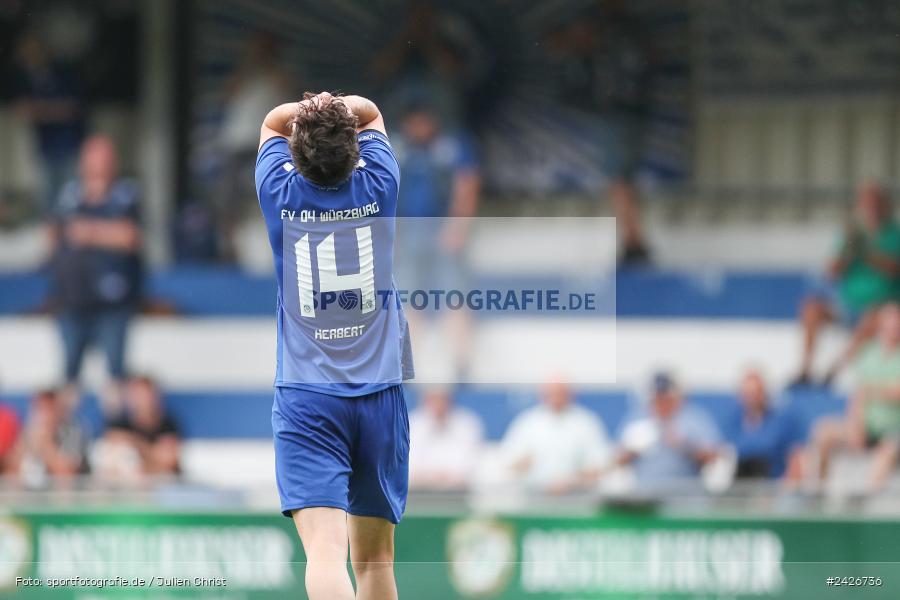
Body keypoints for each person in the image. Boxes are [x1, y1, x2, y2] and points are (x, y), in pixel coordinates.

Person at [256, 91, 413, 600]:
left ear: (297, 153)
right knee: (375, 561)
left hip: (308, 398)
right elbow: (372, 111)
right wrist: (333, 104)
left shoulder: (279, 193)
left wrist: (308, 111)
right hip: (380, 394)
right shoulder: (380, 185)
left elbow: (271, 122)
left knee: (326, 555)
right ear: (354, 147)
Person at [50, 135, 142, 414]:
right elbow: (55, 233)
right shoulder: (69, 194)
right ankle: (67, 431)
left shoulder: (125, 195)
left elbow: (130, 236)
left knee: (115, 376)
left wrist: (88, 232)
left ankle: (115, 428)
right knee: (69, 377)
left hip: (113, 302)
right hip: (73, 300)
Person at [392, 99, 480, 379]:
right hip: (408, 233)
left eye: (424, 119)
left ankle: (462, 365)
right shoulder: (396, 147)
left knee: (455, 298)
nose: (420, 126)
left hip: (444, 230)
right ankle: (404, 366)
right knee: (406, 299)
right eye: (414, 120)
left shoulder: (452, 145)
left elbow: (467, 183)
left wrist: (457, 227)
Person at [794, 183, 900, 386]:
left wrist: (866, 252)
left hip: (879, 309)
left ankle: (834, 371)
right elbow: (831, 272)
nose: (870, 209)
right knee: (811, 308)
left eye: (874, 203)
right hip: (847, 305)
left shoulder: (895, 233)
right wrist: (845, 253)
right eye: (866, 204)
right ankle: (805, 371)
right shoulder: (852, 234)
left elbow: (894, 268)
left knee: (874, 317)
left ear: (884, 205)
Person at [807, 303, 900, 493]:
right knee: (823, 431)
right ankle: (817, 493)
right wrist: (855, 424)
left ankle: (869, 498)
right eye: (890, 322)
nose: (894, 327)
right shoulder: (868, 353)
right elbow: (858, 394)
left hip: (893, 430)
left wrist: (871, 390)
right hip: (868, 427)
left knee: (888, 450)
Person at [13, 32, 86, 212]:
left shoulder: (64, 73)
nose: (28, 58)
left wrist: (41, 110)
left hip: (69, 145)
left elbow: (72, 108)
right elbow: (23, 109)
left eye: (32, 52)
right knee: (47, 201)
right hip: (45, 148)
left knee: (71, 199)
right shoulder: (28, 79)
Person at [500, 380, 611, 495]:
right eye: (551, 393)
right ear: (542, 395)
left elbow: (601, 462)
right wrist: (520, 464)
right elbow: (507, 459)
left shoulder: (586, 422)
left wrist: (573, 480)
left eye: (561, 393)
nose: (556, 398)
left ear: (571, 394)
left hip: (578, 496)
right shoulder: (527, 422)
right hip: (534, 496)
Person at [617, 373, 721, 490]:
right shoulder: (637, 418)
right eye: (658, 397)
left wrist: (685, 445)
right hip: (645, 493)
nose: (662, 402)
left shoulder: (694, 418)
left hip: (685, 493)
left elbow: (713, 458)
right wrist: (632, 450)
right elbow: (618, 460)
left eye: (666, 397)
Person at [101, 376, 181, 480]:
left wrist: (134, 443)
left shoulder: (168, 425)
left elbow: (168, 461)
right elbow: (110, 443)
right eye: (138, 395)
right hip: (128, 484)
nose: (142, 401)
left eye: (146, 395)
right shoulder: (120, 424)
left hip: (161, 483)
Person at [5, 389, 89, 485]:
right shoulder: (28, 430)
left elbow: (66, 474)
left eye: (48, 406)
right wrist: (26, 446)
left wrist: (45, 444)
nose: (44, 412)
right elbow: (11, 471)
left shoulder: (73, 430)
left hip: (69, 491)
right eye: (40, 407)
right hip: (33, 490)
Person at [408, 386, 483, 491]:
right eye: (433, 399)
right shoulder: (411, 423)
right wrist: (432, 477)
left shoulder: (467, 423)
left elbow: (469, 463)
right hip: (418, 492)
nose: (438, 404)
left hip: (459, 492)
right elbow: (409, 465)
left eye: (442, 399)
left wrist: (445, 477)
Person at [733, 369, 795, 478]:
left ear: (763, 394)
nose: (750, 399)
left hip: (771, 483)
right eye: (747, 394)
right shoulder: (732, 422)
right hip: (739, 483)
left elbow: (794, 456)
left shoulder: (780, 422)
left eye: (754, 394)